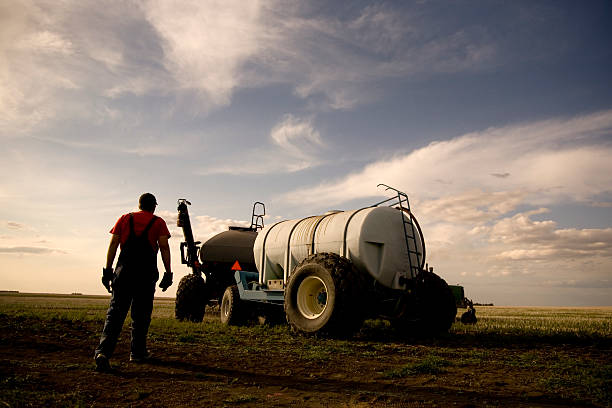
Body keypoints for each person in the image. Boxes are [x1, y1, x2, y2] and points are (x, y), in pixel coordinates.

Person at [94, 193, 173, 372]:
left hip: (124, 273)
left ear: (139, 205)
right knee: (141, 315)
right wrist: (168, 273)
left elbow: (113, 244)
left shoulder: (124, 218)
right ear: (153, 206)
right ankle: (137, 353)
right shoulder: (158, 222)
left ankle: (103, 353)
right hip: (146, 274)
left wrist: (107, 271)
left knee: (115, 314)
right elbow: (164, 247)